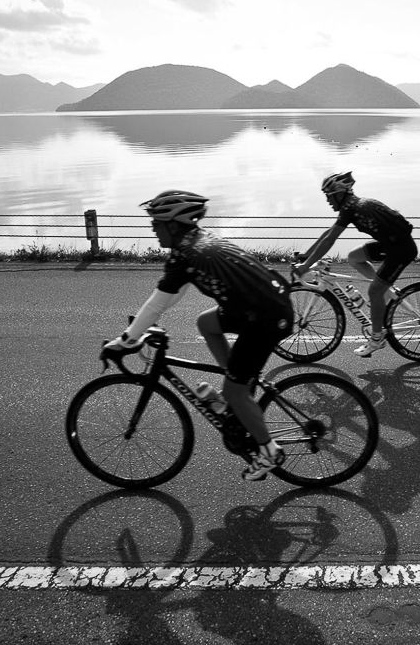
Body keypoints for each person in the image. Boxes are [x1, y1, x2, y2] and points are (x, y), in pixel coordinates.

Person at [101, 190, 294, 481]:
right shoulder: (195, 244)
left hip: (265, 318)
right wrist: (138, 331)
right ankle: (238, 389)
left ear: (173, 225)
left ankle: (269, 450)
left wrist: (126, 340)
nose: (153, 229)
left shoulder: (188, 253)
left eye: (156, 223)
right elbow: (171, 295)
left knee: (235, 391)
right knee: (206, 323)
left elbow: (158, 303)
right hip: (259, 307)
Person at [293, 171, 417, 357]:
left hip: (400, 249)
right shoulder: (352, 206)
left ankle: (377, 338)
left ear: (340, 193)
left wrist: (305, 266)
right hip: (390, 243)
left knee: (374, 291)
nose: (328, 201)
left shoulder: (351, 207)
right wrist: (306, 256)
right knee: (354, 257)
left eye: (329, 197)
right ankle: (385, 291)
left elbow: (330, 241)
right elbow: (329, 233)